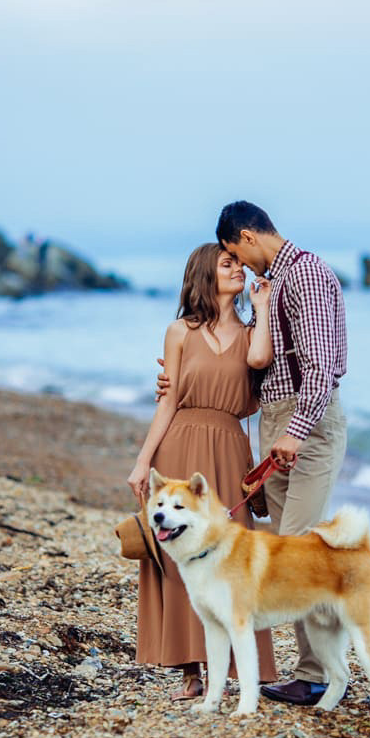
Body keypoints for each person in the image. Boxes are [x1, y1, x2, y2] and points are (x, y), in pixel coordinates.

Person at [158, 202, 348, 706]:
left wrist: (298, 430)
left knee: (301, 552)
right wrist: (181, 375)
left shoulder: (304, 273)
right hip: (277, 424)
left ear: (244, 237)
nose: (237, 265)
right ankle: (312, 673)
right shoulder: (276, 283)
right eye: (226, 261)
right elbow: (260, 363)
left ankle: (323, 674)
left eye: (232, 254)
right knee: (289, 549)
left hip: (302, 425)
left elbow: (322, 365)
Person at [127, 243, 278, 700]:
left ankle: (236, 670)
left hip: (230, 449)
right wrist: (142, 460)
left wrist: (265, 307)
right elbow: (168, 401)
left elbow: (263, 378)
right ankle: (190, 671)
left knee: (230, 561)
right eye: (227, 264)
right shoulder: (178, 332)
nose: (237, 269)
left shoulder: (255, 331)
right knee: (180, 560)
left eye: (239, 262)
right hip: (179, 444)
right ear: (204, 275)